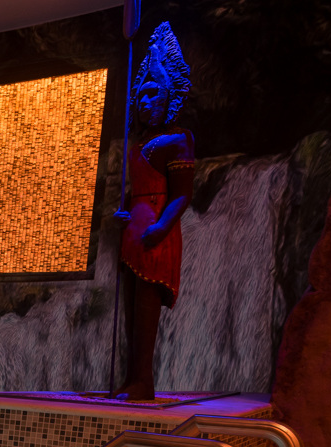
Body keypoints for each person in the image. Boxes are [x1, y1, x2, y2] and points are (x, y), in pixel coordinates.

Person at [110, 22, 194, 401]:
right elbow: (135, 190)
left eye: (153, 93)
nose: (145, 102)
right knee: (130, 310)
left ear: (169, 95)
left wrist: (161, 227)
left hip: (155, 234)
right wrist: (124, 213)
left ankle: (144, 381)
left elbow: (183, 194)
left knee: (146, 309)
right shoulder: (139, 143)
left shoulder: (178, 140)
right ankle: (132, 378)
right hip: (134, 234)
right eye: (141, 94)